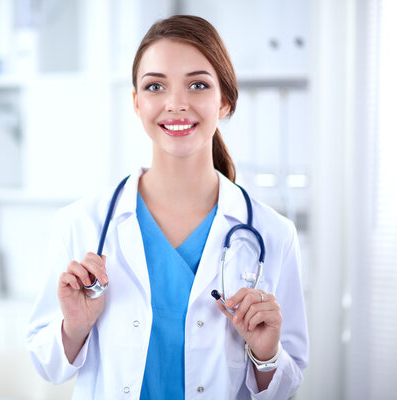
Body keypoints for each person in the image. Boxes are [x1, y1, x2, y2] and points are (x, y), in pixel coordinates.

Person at [27, 15, 308, 399]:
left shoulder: (273, 234)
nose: (176, 104)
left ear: (224, 100)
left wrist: (266, 355)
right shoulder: (80, 224)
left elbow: (286, 388)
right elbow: (47, 365)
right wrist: (74, 328)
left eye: (197, 84)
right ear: (137, 103)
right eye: (155, 86)